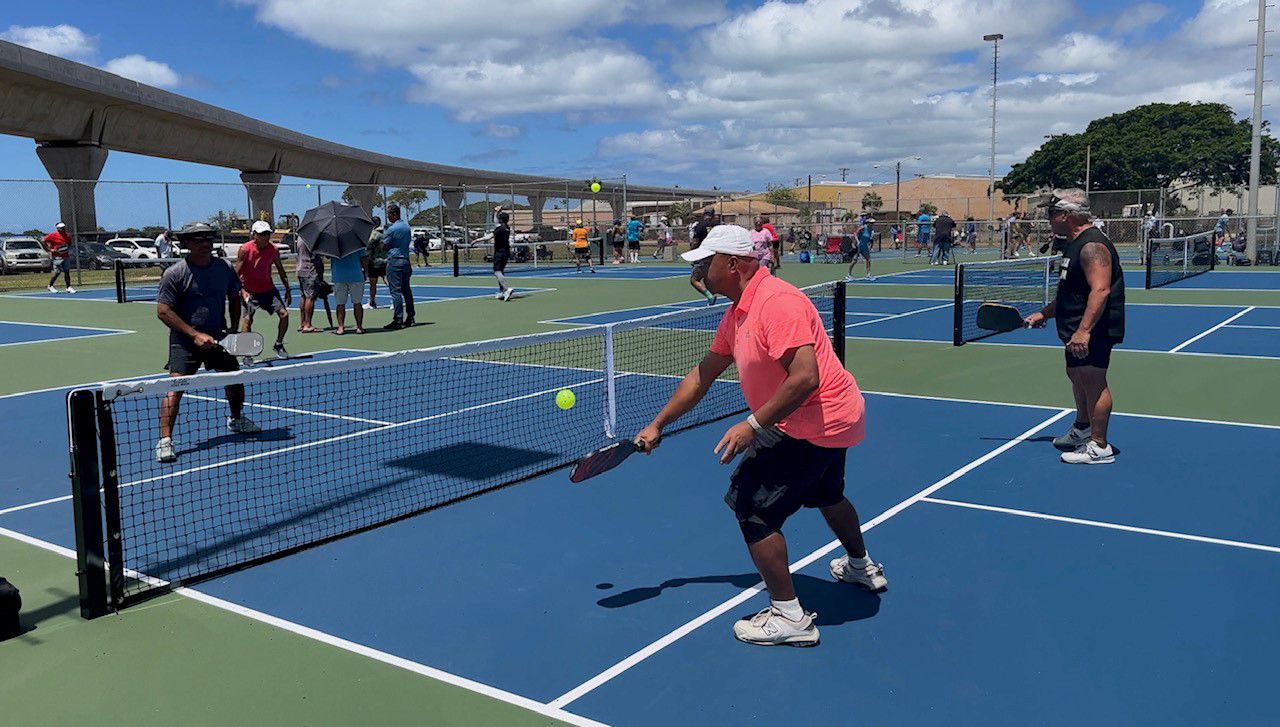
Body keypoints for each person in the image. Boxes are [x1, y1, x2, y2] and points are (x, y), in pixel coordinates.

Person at [636, 224, 887, 647]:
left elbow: (805, 378)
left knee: (753, 509)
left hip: (811, 418)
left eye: (704, 261)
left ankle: (789, 616)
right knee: (827, 494)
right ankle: (861, 566)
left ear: (732, 264)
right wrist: (658, 424)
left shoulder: (776, 303)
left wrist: (752, 426)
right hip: (832, 417)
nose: (697, 270)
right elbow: (703, 375)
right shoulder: (738, 312)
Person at [1024, 189, 1125, 465]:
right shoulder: (1074, 243)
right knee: (1076, 374)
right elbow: (1071, 291)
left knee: (1093, 380)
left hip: (1094, 329)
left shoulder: (1092, 245)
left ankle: (1099, 446)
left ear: (1066, 215)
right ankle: (1082, 429)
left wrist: (1084, 331)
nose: (1049, 218)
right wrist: (1045, 313)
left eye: (1052, 213)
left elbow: (1101, 289)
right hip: (1075, 328)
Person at [153, 222, 260, 464]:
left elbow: (234, 297)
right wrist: (193, 334)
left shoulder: (224, 268)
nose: (205, 243)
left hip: (218, 337)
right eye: (198, 239)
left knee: (234, 378)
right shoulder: (175, 274)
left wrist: (232, 330)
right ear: (186, 244)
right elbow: (163, 311)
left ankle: (236, 418)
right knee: (176, 387)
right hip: (184, 341)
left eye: (208, 239)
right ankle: (165, 441)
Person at [235, 220, 292, 362]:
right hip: (249, 291)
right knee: (248, 320)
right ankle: (247, 354)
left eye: (268, 233)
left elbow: (281, 270)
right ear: (254, 235)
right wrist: (242, 291)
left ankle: (278, 344)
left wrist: (287, 289)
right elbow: (235, 274)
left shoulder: (273, 250)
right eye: (262, 234)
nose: (266, 237)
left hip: (268, 290)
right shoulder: (245, 249)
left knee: (284, 315)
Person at [381, 204, 416, 328]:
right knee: (406, 290)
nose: (388, 217)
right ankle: (410, 317)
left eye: (389, 214)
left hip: (394, 261)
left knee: (395, 292)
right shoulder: (406, 227)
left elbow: (384, 246)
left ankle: (398, 320)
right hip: (406, 261)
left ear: (394, 214)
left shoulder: (391, 229)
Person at [330, 243, 367, 334]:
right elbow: (364, 259)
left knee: (340, 303)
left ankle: (341, 327)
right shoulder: (357, 244)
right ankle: (359, 327)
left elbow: (328, 257)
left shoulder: (333, 245)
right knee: (357, 303)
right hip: (356, 275)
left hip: (339, 276)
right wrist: (366, 272)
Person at [295, 229, 325, 333]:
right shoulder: (310, 239)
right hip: (309, 270)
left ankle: (302, 323)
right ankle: (308, 324)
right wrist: (320, 272)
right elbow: (315, 257)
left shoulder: (300, 237)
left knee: (303, 295)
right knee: (310, 297)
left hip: (300, 269)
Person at [689, 209, 718, 304]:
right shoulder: (717, 225)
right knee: (708, 278)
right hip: (716, 255)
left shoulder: (700, 225)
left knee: (694, 280)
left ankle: (710, 297)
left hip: (703, 255)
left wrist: (692, 254)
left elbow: (695, 242)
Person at [43, 222, 74, 294]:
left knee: (67, 272)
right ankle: (50, 286)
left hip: (65, 256)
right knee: (57, 272)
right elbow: (43, 240)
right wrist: (50, 250)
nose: (63, 229)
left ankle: (68, 287)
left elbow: (69, 243)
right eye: (61, 228)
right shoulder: (52, 235)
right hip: (57, 257)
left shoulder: (67, 235)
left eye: (64, 228)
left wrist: (66, 248)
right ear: (58, 229)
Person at [492, 211, 515, 301]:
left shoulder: (499, 229)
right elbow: (496, 222)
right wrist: (497, 212)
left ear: (501, 220)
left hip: (499, 253)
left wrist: (477, 240)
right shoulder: (507, 228)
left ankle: (506, 289)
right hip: (506, 252)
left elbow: (489, 235)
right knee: (501, 271)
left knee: (497, 272)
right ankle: (502, 291)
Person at [365, 216, 387, 308]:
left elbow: (369, 250)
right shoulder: (385, 233)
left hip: (374, 263)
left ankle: (372, 302)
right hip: (384, 262)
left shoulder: (372, 235)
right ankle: (395, 301)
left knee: (373, 285)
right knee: (388, 281)